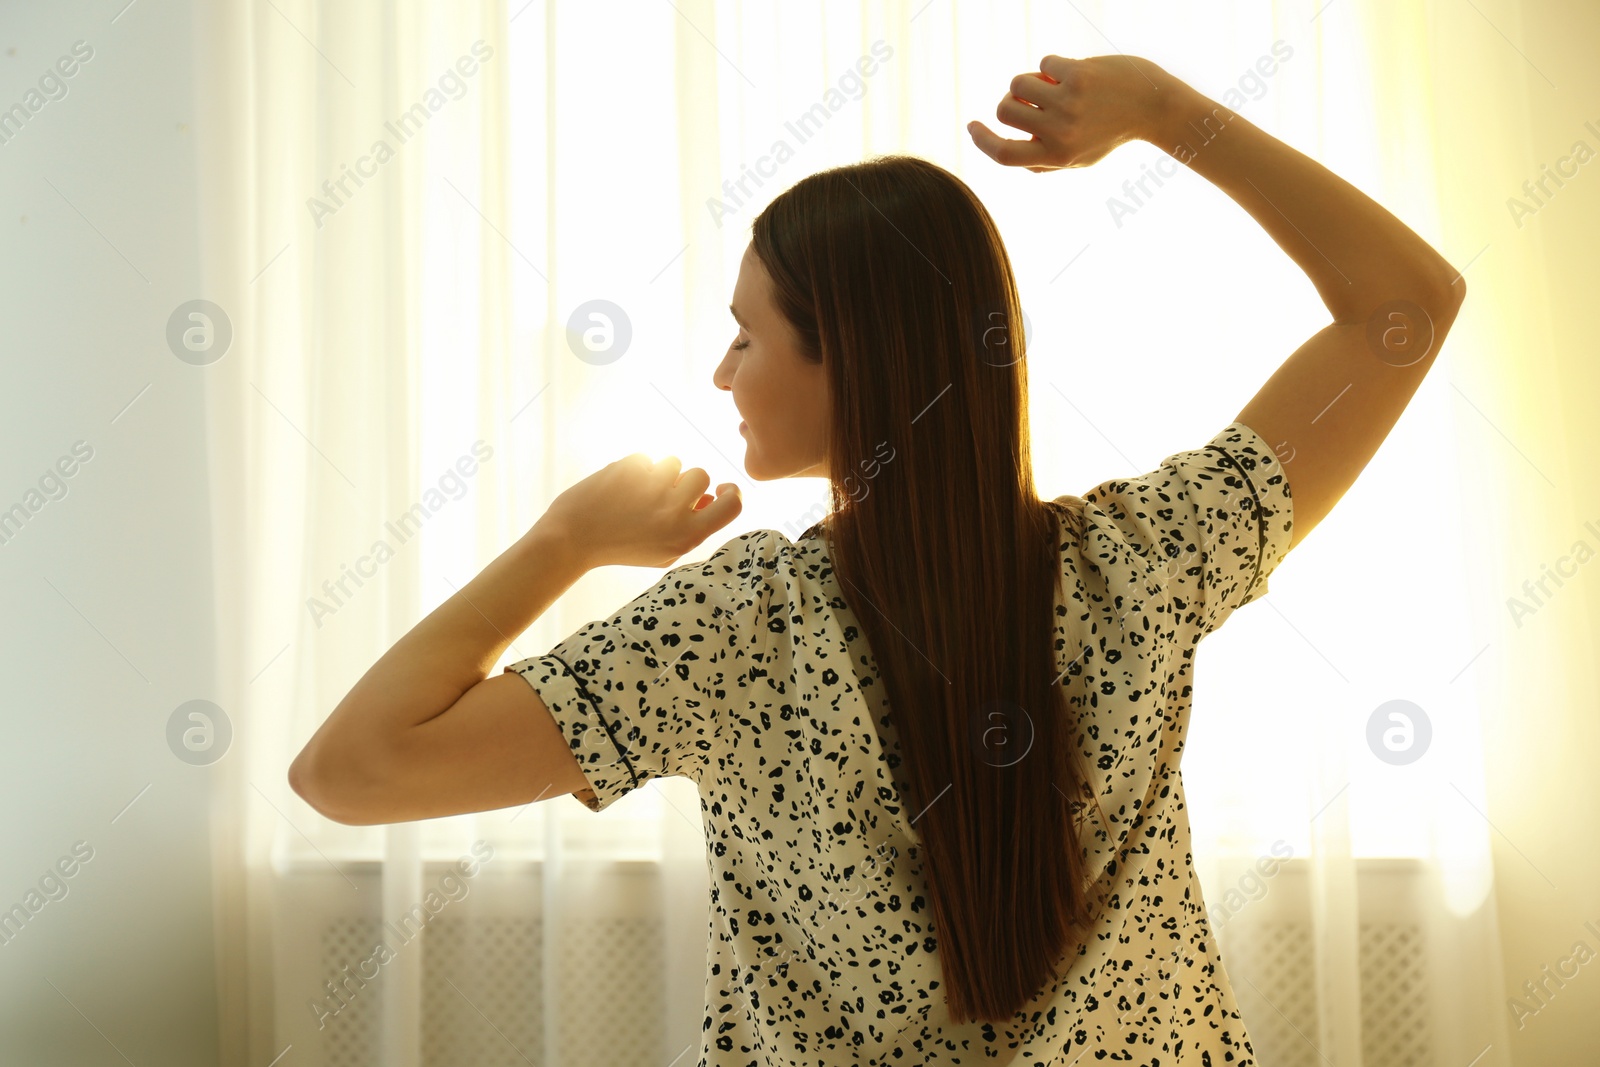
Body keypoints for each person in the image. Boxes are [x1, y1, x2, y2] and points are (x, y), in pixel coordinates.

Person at [290, 52, 1466, 1066]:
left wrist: (567, 539)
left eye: (747, 334)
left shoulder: (733, 628)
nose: (722, 372)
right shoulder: (1144, 562)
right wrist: (1161, 110)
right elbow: (1403, 306)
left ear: (846, 360)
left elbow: (350, 771)